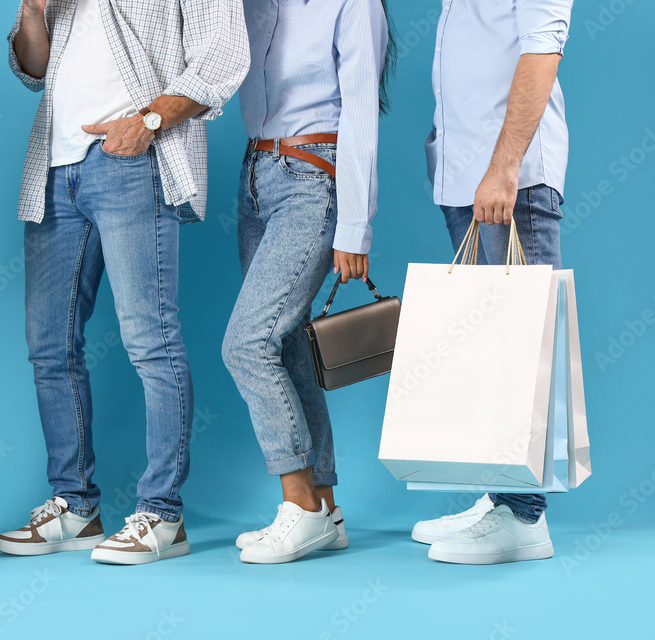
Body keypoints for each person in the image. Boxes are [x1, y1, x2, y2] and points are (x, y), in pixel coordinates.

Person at [0, 0, 249, 565]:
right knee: (49, 349)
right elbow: (33, 69)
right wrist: (33, 12)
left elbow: (224, 58)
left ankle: (162, 514)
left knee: (150, 343)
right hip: (55, 166)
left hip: (133, 159)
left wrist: (147, 122)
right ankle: (74, 505)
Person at [221, 0, 391, 564]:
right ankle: (327, 507)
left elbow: (362, 113)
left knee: (248, 343)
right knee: (287, 344)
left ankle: (300, 507)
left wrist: (355, 228)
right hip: (254, 178)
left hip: (313, 178)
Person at [413, 0, 573, 564]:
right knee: (488, 351)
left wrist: (504, 168)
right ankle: (501, 498)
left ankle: (525, 517)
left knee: (518, 347)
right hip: (467, 177)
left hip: (511, 182)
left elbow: (541, 51)